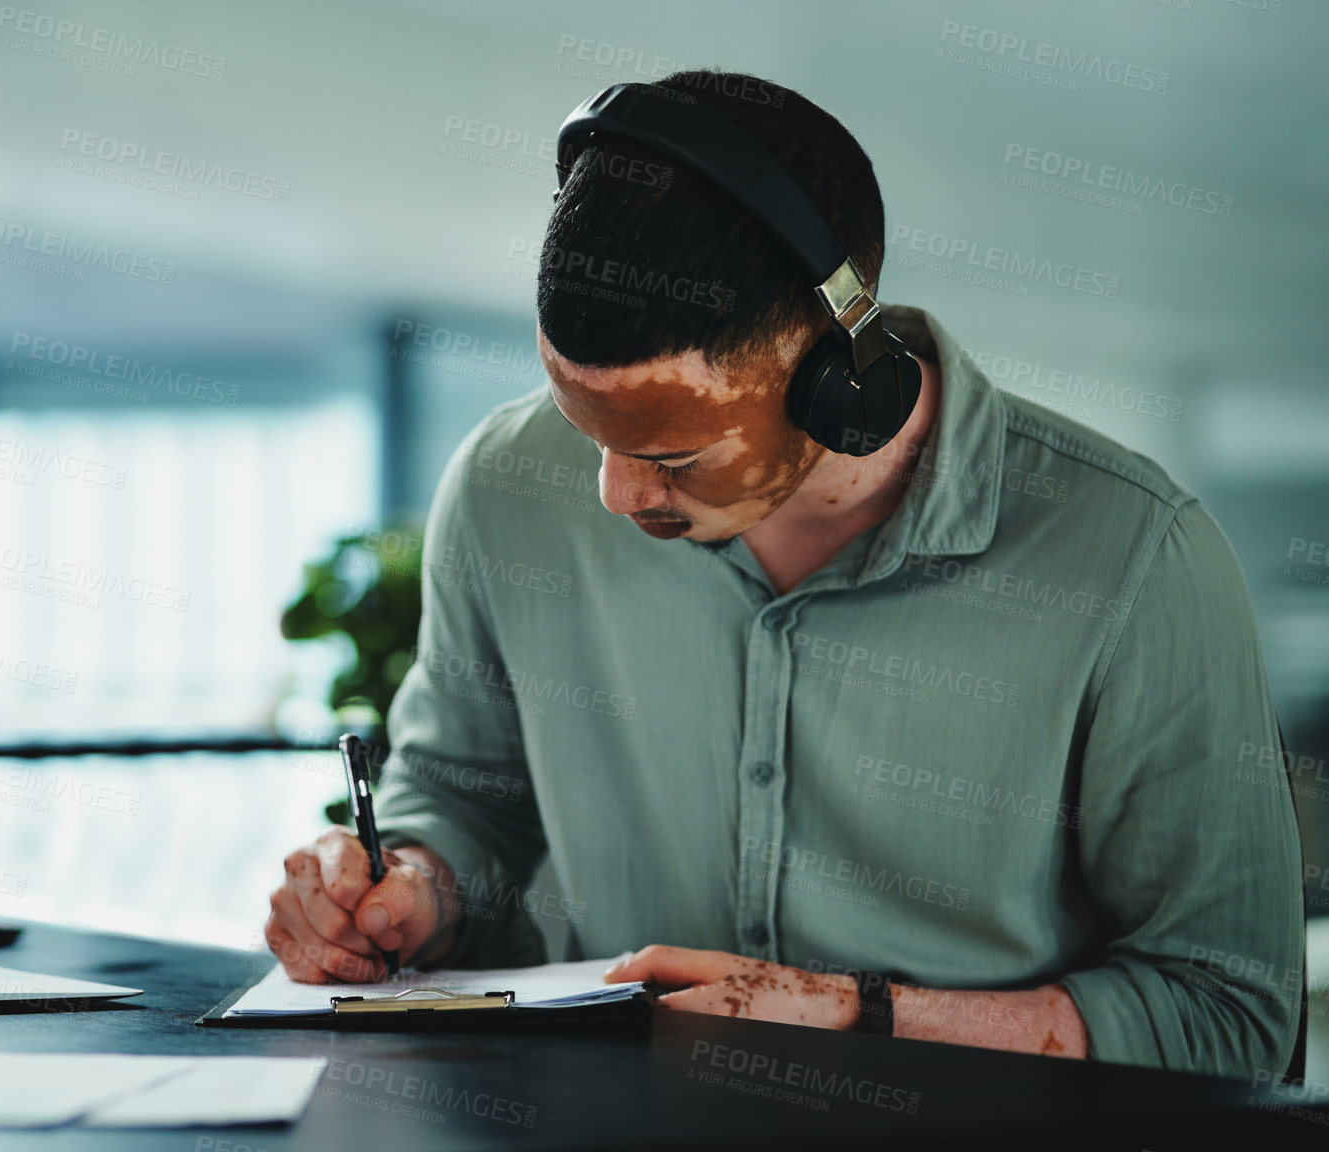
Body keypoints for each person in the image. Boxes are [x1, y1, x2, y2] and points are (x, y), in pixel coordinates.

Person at [264, 69, 1302, 1077]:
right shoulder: (504, 483)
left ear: (846, 388)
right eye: (587, 428)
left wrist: (849, 1020)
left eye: (673, 457)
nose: (613, 497)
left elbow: (1229, 1013)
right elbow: (462, 797)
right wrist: (413, 884)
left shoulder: (1133, 558)